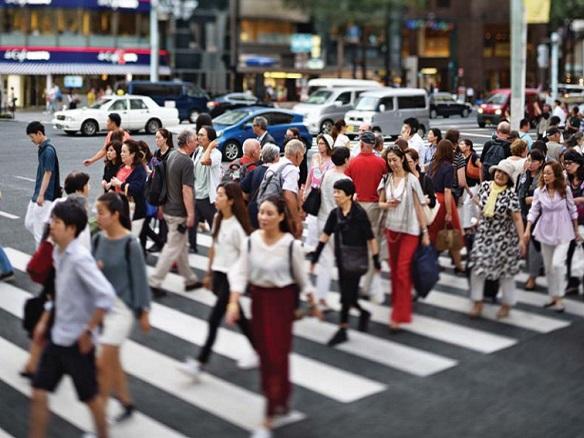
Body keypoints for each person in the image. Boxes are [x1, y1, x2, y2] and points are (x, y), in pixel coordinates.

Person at [226, 196, 317, 437]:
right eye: (261, 212)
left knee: (277, 355)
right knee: (266, 355)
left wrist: (312, 301)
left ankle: (269, 414)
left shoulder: (290, 245)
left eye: (269, 213)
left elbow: (301, 277)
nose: (263, 217)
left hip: (282, 303)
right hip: (259, 301)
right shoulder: (252, 241)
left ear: (281, 217)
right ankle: (281, 399)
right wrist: (233, 302)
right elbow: (240, 273)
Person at [29, 199, 115, 438]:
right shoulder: (59, 252)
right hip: (57, 338)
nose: (51, 225)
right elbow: (61, 292)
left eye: (56, 222)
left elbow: (106, 296)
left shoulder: (79, 258)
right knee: (38, 391)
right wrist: (45, 321)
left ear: (71, 229)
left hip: (77, 344)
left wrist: (88, 331)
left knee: (90, 398)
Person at [178, 183, 257, 378]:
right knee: (241, 318)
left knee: (214, 319)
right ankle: (259, 350)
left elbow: (246, 258)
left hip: (232, 278)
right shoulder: (217, 218)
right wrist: (208, 273)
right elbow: (214, 246)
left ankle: (200, 362)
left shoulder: (238, 228)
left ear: (231, 201)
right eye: (217, 194)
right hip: (219, 275)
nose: (217, 198)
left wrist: (240, 283)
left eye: (221, 195)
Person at [92, 192, 151, 423]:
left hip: (122, 308)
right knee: (113, 359)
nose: (97, 217)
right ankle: (126, 401)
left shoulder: (130, 243)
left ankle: (100, 422)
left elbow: (140, 279)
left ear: (115, 215)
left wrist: (144, 312)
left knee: (102, 364)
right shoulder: (98, 239)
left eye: (101, 213)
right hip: (102, 308)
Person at [312, 178, 378, 343]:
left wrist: (376, 259)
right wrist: (316, 255)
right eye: (334, 192)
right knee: (349, 296)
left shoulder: (359, 214)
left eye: (338, 192)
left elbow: (371, 238)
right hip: (342, 259)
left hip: (356, 260)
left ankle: (343, 329)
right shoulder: (335, 213)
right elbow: (325, 234)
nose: (335, 195)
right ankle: (363, 313)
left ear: (349, 195)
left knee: (346, 296)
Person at [378, 146, 431, 330]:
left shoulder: (412, 180)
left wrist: (425, 232)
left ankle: (399, 314)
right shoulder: (386, 178)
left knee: (402, 270)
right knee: (394, 271)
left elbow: (419, 207)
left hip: (410, 230)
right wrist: (387, 205)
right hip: (391, 228)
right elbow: (380, 203)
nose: (392, 163)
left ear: (402, 159)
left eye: (395, 159)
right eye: (389, 160)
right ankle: (399, 303)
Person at [468, 161, 526, 318]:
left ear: (509, 178)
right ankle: (477, 302)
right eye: (498, 171)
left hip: (504, 238)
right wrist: (477, 221)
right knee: (477, 267)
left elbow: (517, 219)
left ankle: (507, 304)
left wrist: (522, 240)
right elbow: (480, 206)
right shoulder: (485, 186)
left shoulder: (511, 195)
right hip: (484, 234)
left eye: (504, 174)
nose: (500, 175)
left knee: (505, 273)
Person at [148, 129, 203, 297]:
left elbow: (164, 183)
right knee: (172, 248)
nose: (197, 142)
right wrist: (191, 214)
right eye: (195, 140)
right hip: (179, 212)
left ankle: (190, 280)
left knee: (181, 247)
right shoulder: (187, 162)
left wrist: (161, 206)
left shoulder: (172, 155)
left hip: (169, 208)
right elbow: (186, 190)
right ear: (188, 143)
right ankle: (155, 281)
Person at [524, 160, 580, 313]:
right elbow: (533, 211)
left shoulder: (565, 190)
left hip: (563, 230)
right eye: (544, 173)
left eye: (549, 173)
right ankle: (553, 296)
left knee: (557, 264)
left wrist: (576, 230)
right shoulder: (539, 192)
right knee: (549, 267)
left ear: (556, 175)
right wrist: (527, 230)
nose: (545, 176)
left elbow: (572, 210)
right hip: (545, 230)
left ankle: (560, 297)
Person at [345, 131, 387, 298]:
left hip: (357, 205)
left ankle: (354, 281)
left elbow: (348, 185)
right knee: (372, 245)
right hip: (375, 206)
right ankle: (367, 284)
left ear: (362, 144)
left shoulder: (353, 162)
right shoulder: (381, 163)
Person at [314, 146, 352, 309]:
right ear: (346, 160)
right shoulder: (346, 181)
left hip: (322, 218)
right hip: (337, 223)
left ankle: (321, 297)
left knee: (326, 260)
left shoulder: (327, 174)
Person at [427, 139, 465, 274]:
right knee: (454, 233)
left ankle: (432, 261)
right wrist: (449, 211)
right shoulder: (449, 167)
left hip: (433, 200)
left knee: (434, 234)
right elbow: (448, 190)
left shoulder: (432, 164)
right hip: (444, 202)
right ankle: (458, 264)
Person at [258, 140, 305, 238]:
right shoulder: (291, 169)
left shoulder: (275, 164)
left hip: (265, 208)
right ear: (297, 155)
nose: (303, 158)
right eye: (302, 155)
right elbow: (288, 196)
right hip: (280, 214)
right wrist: (297, 220)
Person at [24, 121, 61, 247]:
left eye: (32, 137)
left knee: (39, 232)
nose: (31, 140)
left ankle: (42, 256)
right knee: (29, 223)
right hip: (38, 192)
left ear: (39, 133)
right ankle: (51, 242)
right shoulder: (42, 148)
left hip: (46, 195)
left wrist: (41, 195)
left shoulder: (48, 150)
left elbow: (48, 173)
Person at [190, 126, 222, 253]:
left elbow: (204, 161)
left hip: (208, 197)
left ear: (210, 139)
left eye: (202, 135)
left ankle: (220, 249)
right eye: (198, 134)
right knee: (192, 223)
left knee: (214, 225)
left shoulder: (216, 154)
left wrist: (210, 147)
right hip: (196, 195)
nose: (199, 137)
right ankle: (192, 246)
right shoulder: (198, 151)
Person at [516, 149, 545, 290]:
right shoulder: (522, 175)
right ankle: (534, 269)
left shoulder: (544, 177)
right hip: (522, 214)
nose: (530, 163)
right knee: (526, 247)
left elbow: (547, 196)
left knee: (534, 247)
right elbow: (517, 194)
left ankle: (532, 277)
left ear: (540, 163)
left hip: (539, 217)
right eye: (528, 160)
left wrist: (532, 199)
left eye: (534, 161)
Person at [141, 128, 173, 253]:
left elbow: (168, 175)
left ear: (165, 139)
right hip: (156, 189)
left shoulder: (171, 154)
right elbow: (154, 173)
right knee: (155, 218)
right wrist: (148, 171)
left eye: (159, 137)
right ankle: (160, 242)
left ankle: (162, 242)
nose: (156, 140)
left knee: (163, 218)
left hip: (167, 190)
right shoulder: (156, 153)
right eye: (155, 137)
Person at [109, 139, 147, 237]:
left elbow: (135, 189)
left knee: (133, 238)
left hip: (135, 210)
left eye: (124, 152)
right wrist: (111, 186)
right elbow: (117, 182)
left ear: (132, 154)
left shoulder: (139, 170)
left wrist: (119, 184)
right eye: (121, 151)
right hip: (121, 208)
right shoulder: (122, 166)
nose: (121, 154)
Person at [303, 133, 334, 247]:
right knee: (311, 219)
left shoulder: (332, 160)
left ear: (328, 145)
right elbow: (310, 174)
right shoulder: (315, 157)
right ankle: (311, 244)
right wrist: (306, 190)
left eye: (322, 144)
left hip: (324, 193)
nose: (320, 146)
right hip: (313, 191)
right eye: (319, 143)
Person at [241, 143, 281, 229]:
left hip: (253, 211)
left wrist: (251, 199)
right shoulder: (277, 173)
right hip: (269, 213)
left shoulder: (256, 170)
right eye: (279, 156)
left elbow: (242, 189)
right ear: (275, 157)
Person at [563, 150, 584, 295]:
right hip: (570, 221)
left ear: (579, 164)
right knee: (570, 251)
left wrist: (578, 200)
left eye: (570, 163)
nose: (567, 166)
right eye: (565, 163)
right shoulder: (566, 179)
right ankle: (573, 282)